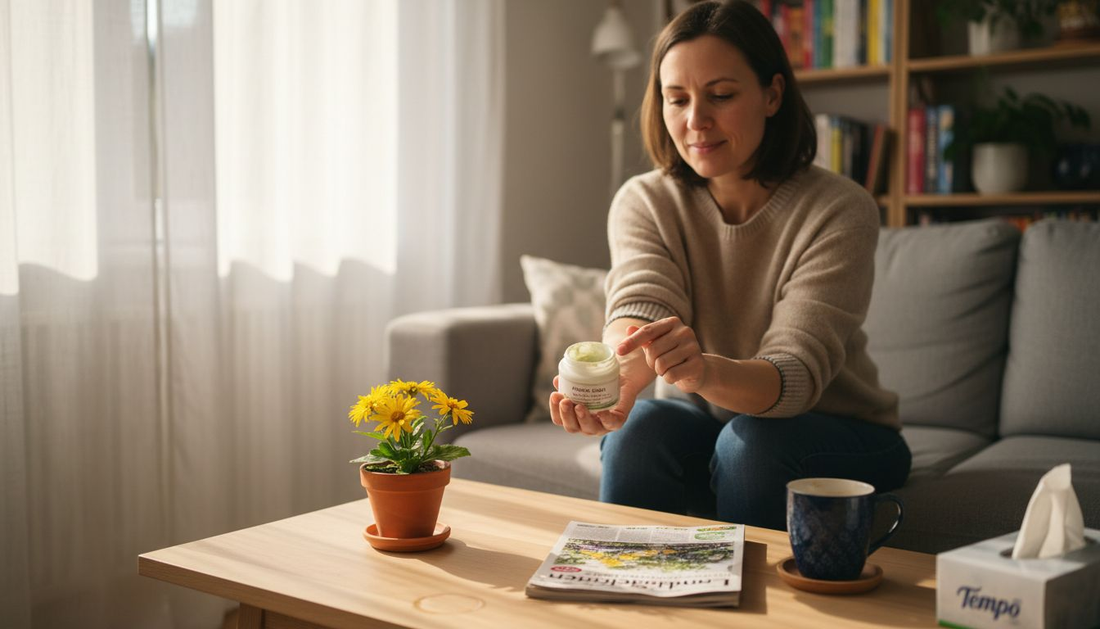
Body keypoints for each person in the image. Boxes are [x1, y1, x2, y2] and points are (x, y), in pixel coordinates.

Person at [547, 0, 910, 531]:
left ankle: (749, 613)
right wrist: (618, 387)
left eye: (720, 95)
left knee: (753, 444)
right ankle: (626, 598)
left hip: (837, 428)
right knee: (638, 429)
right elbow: (642, 304)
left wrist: (703, 370)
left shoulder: (839, 209)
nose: (696, 121)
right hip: (711, 421)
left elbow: (796, 373)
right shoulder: (646, 200)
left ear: (772, 94)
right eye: (677, 99)